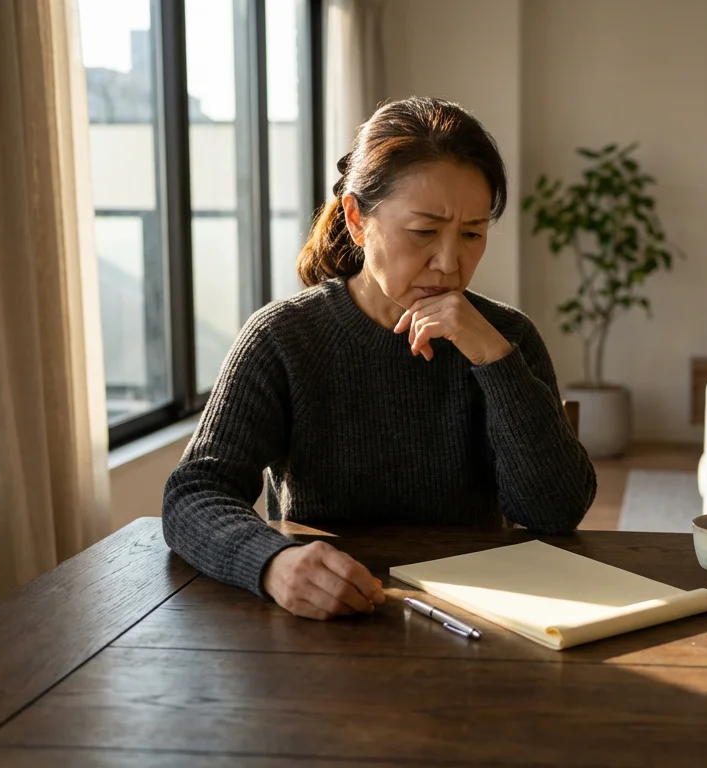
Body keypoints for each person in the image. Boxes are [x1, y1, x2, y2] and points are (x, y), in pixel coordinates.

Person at [162, 97, 597, 620]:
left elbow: (554, 513)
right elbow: (193, 494)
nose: (449, 262)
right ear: (356, 219)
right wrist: (271, 562)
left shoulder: (507, 337)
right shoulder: (283, 338)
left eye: (473, 234)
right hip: (327, 623)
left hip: (479, 618)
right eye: (423, 231)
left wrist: (494, 358)